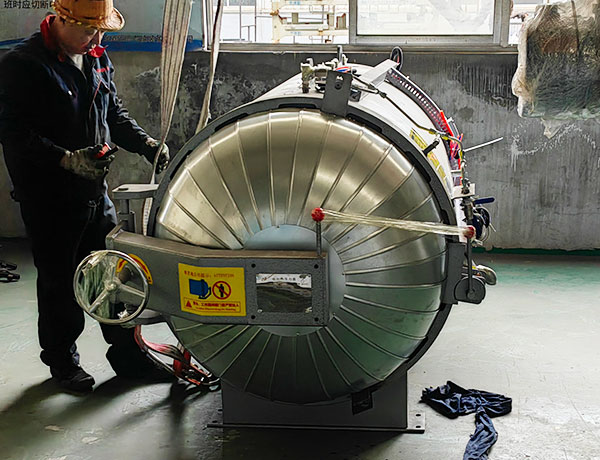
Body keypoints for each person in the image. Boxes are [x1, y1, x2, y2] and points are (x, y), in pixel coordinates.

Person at [0, 0, 170, 392]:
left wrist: (145, 144)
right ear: (61, 19)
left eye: (101, 31)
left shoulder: (95, 57)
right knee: (60, 281)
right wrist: (65, 159)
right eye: (89, 30)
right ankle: (63, 363)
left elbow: (113, 112)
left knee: (113, 274)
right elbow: (12, 132)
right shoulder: (23, 65)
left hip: (94, 189)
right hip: (49, 197)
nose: (96, 40)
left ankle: (127, 357)